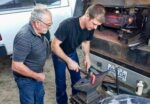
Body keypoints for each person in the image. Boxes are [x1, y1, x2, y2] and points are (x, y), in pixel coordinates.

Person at [51, 4, 105, 104]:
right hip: (59, 55)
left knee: (77, 81)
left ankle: (76, 101)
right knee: (61, 83)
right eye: (94, 24)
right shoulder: (67, 25)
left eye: (97, 25)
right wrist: (68, 61)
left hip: (72, 53)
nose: (95, 27)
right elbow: (54, 46)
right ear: (87, 16)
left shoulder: (91, 28)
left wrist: (87, 56)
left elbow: (86, 41)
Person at [11, 4, 52, 104]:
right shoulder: (24, 37)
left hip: (37, 75)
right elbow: (16, 66)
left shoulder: (41, 31)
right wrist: (36, 76)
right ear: (37, 23)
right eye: (48, 24)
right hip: (26, 80)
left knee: (39, 99)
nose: (50, 26)